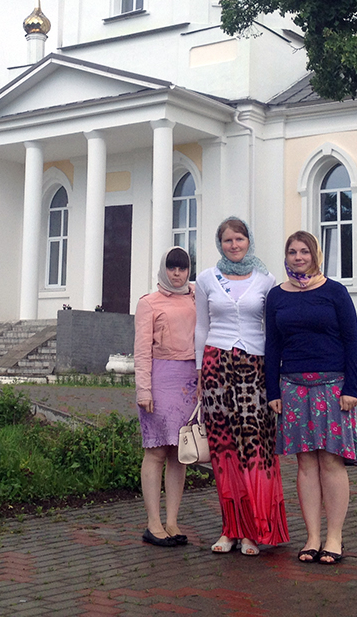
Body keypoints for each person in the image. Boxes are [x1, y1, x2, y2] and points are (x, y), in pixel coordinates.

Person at [264, 230, 357, 566]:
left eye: (304, 251)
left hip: (333, 387)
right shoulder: (277, 296)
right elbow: (272, 347)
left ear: (315, 254)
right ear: (286, 256)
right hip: (292, 387)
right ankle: (312, 538)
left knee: (331, 461)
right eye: (292, 252)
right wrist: (272, 392)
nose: (298, 257)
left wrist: (352, 388)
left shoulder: (334, 292)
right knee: (305, 464)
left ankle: (334, 537)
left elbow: (353, 343)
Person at [194, 217, 289, 555]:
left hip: (255, 368)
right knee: (224, 452)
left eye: (239, 239)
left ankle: (254, 530)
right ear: (219, 244)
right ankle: (230, 529)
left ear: (249, 241)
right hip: (216, 366)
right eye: (228, 240)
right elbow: (201, 329)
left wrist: (275, 376)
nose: (234, 245)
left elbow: (273, 331)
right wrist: (199, 375)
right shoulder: (206, 279)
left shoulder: (267, 280)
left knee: (256, 449)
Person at [134, 246, 197, 547]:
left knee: (179, 453)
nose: (176, 273)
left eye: (182, 268)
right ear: (163, 269)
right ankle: (153, 522)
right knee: (156, 451)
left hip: (191, 382)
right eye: (171, 267)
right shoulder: (149, 303)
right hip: (160, 381)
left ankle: (172, 521)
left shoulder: (197, 297)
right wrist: (143, 389)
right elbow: (141, 351)